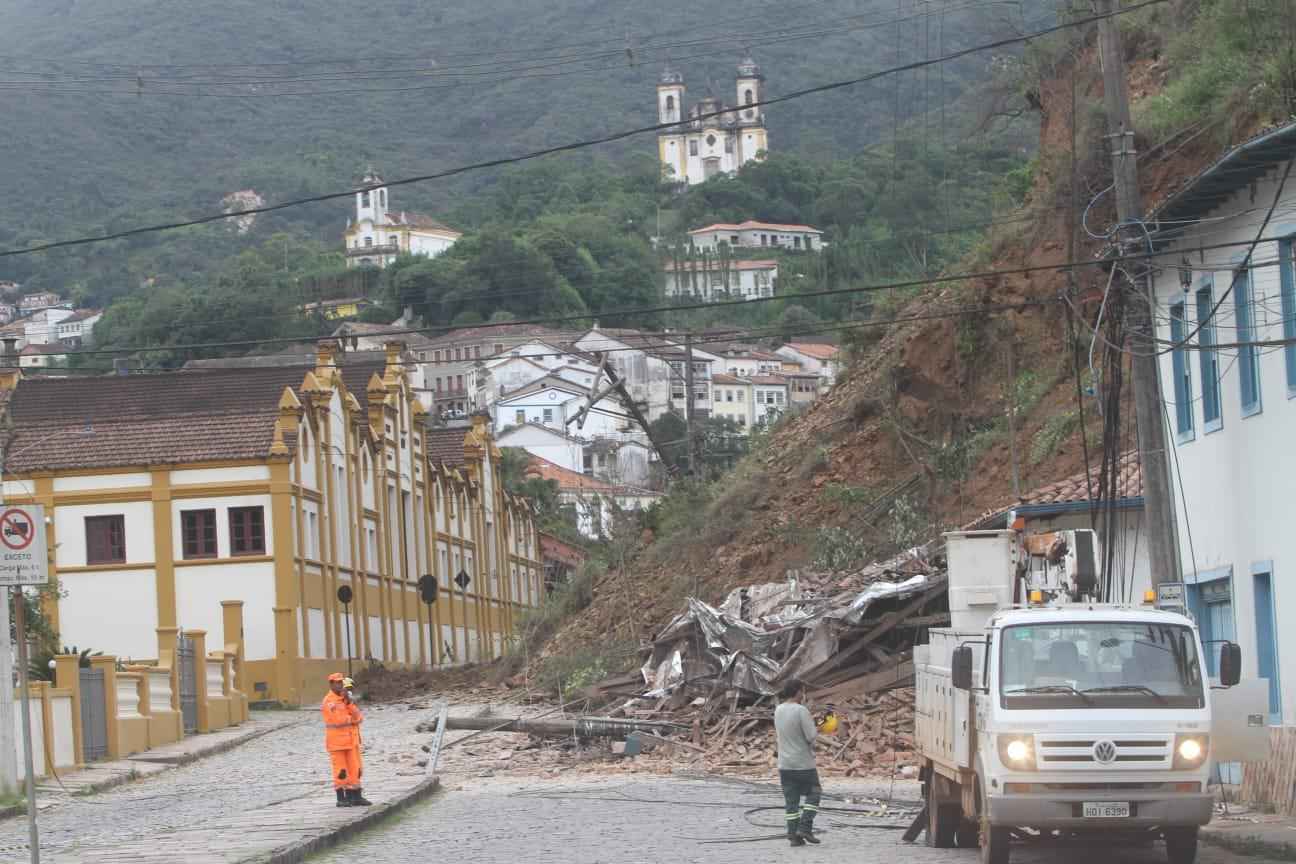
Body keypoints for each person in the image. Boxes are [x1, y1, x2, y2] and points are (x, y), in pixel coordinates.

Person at [774, 679, 823, 846]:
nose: (803, 694)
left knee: (791, 801)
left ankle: (793, 835)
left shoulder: (778, 710)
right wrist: (820, 727)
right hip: (803, 763)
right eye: (802, 691)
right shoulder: (801, 710)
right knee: (814, 793)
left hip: (784, 764)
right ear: (796, 692)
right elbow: (811, 737)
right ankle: (805, 827)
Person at [321, 672, 371, 807]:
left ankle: (355, 796)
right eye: (337, 682)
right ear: (331, 684)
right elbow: (338, 720)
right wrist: (350, 718)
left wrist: (348, 704)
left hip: (350, 741)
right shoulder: (329, 702)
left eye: (341, 682)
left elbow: (358, 717)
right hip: (337, 743)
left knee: (355, 770)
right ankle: (341, 798)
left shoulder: (345, 700)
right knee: (341, 771)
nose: (340, 685)